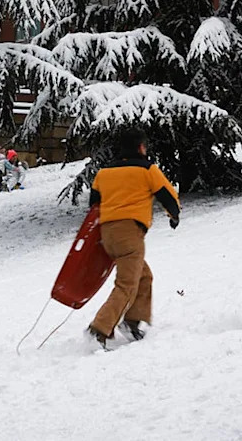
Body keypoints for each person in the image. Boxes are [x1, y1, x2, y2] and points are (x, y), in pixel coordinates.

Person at [87, 129, 180, 349]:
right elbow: (167, 195)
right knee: (127, 283)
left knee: (143, 276)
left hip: (107, 233)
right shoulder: (147, 169)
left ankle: (131, 321)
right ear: (140, 147)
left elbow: (94, 204)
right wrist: (174, 215)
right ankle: (99, 328)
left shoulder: (104, 172)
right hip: (129, 233)